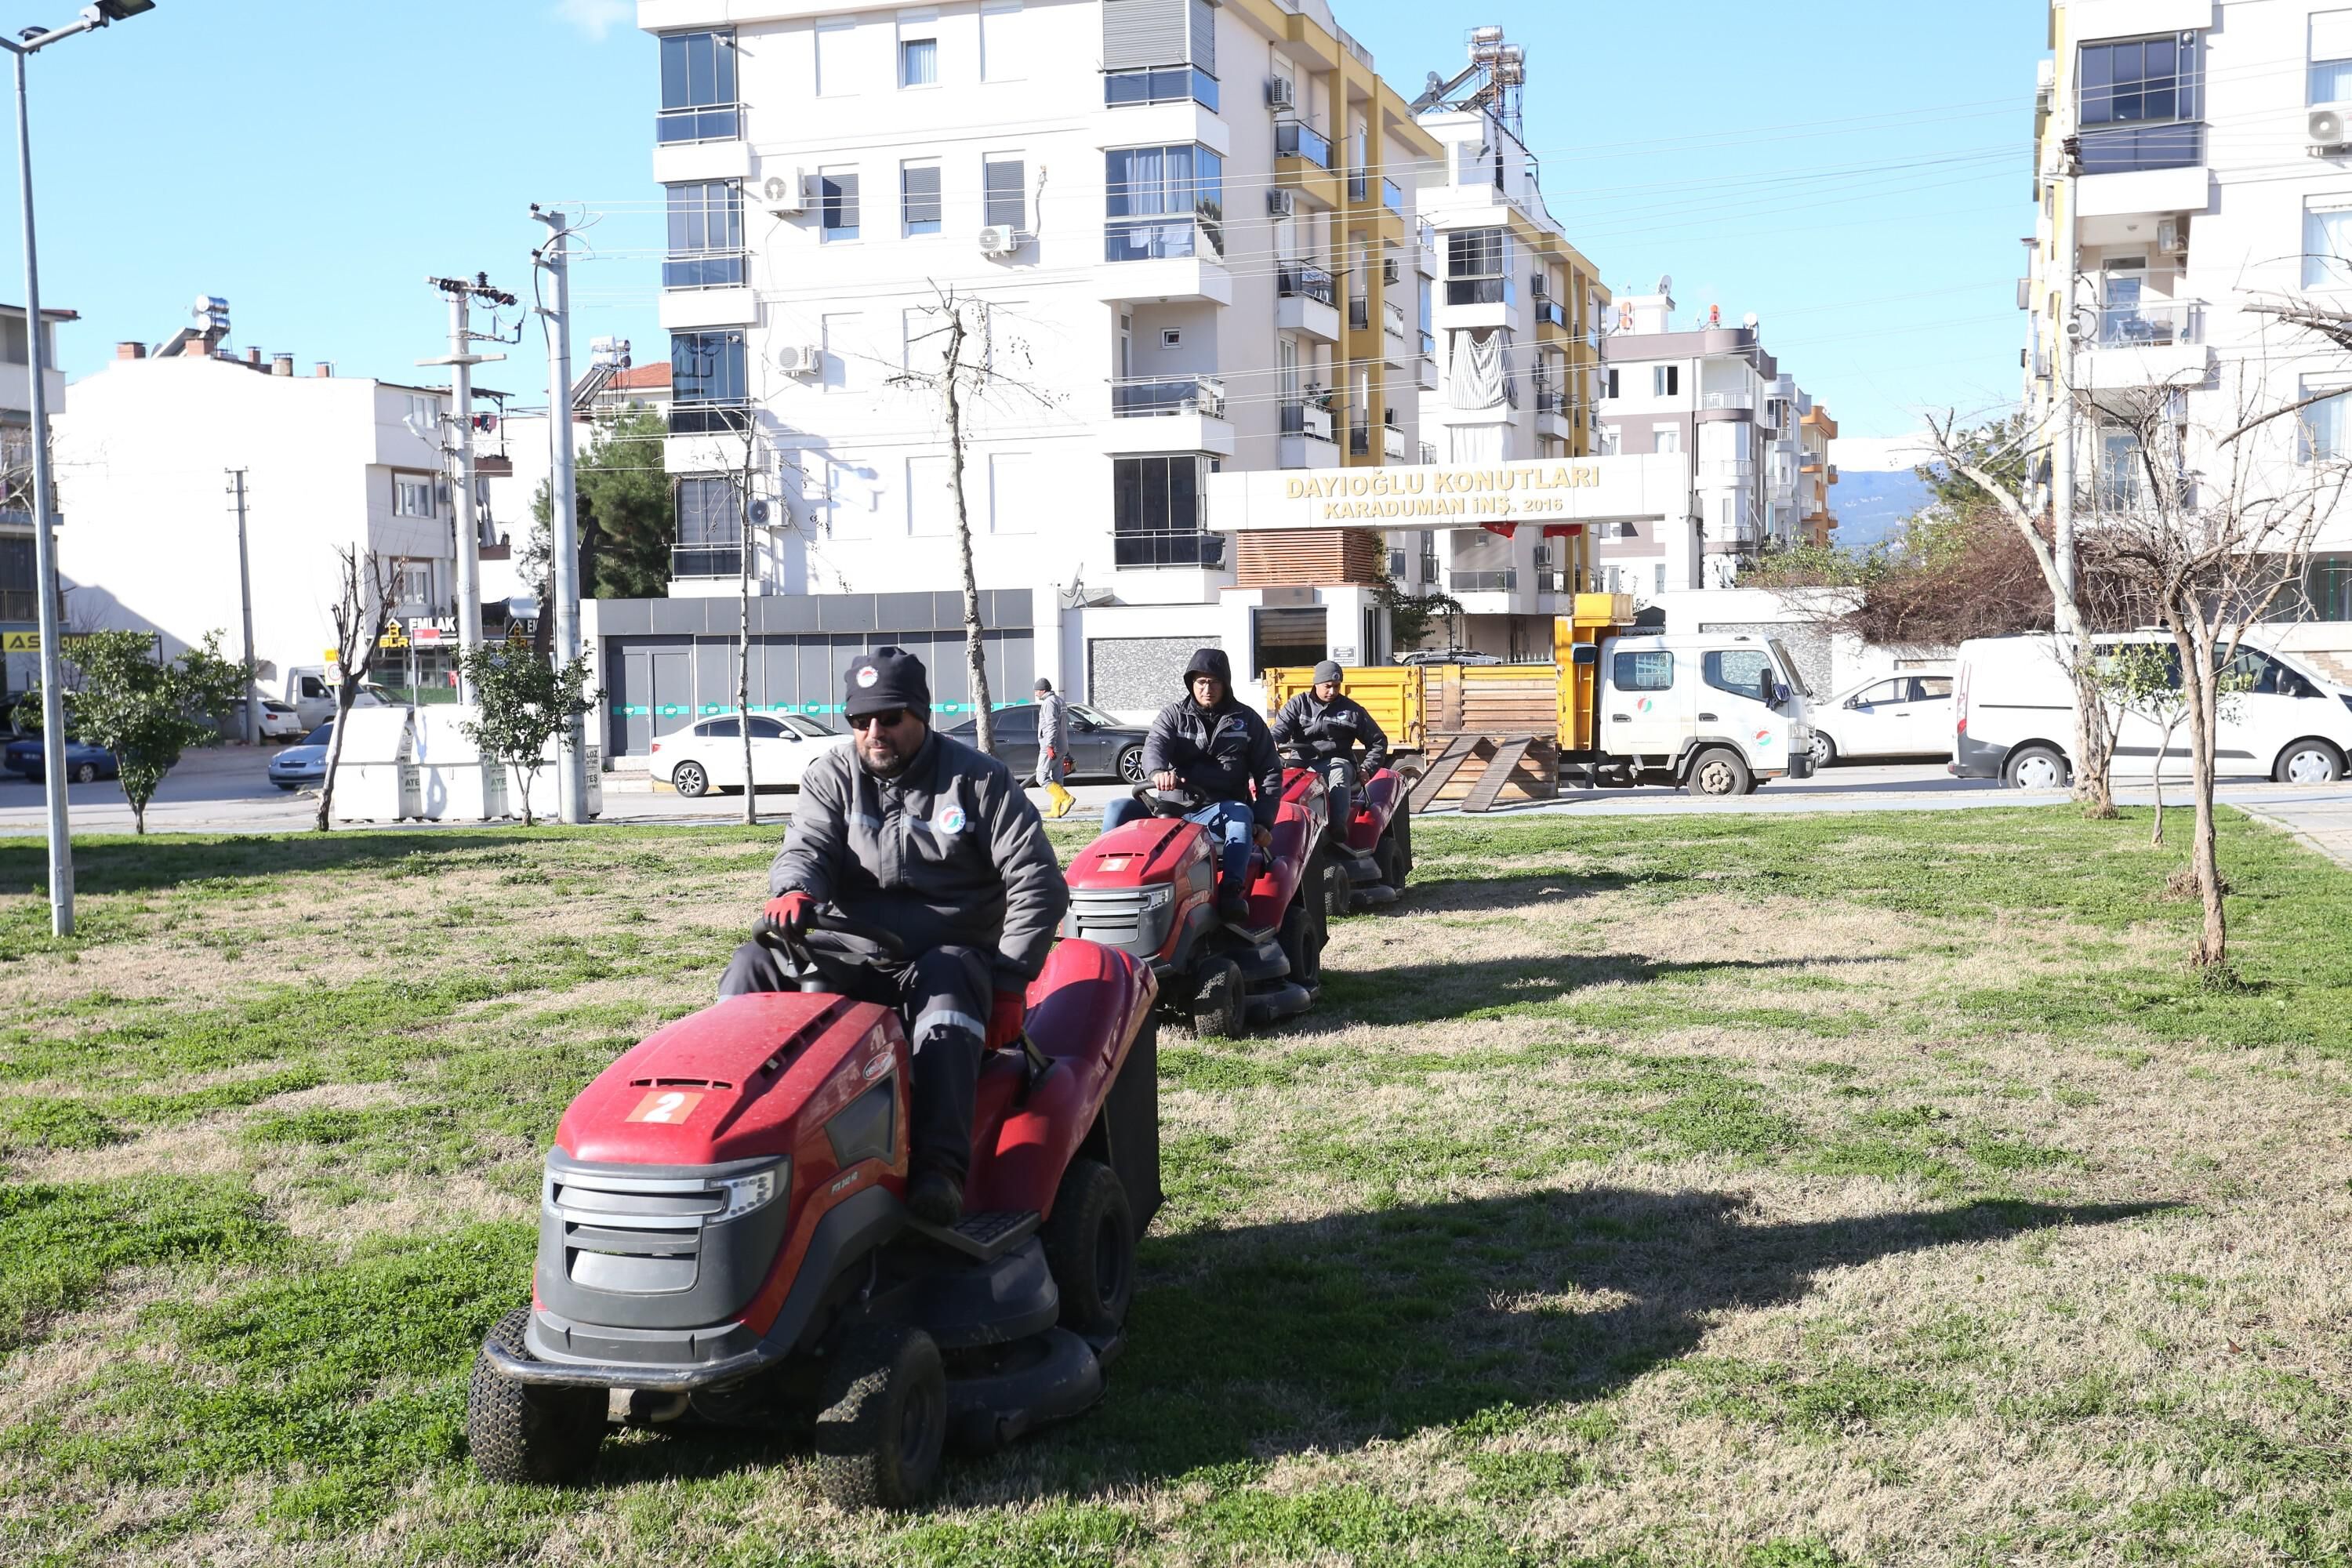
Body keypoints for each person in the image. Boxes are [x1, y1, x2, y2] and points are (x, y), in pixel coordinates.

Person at [718, 646, 1069, 1226]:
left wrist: (1009, 982)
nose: (873, 732)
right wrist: (794, 887)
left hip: (944, 954)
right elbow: (805, 846)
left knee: (948, 984)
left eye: (889, 718)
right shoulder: (832, 776)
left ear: (921, 714)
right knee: (752, 966)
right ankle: (738, 1137)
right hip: (849, 950)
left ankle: (940, 1171)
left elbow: (1037, 881)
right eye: (860, 721)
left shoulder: (980, 781)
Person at [1100, 646, 1281, 924]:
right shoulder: (1173, 715)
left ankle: (1231, 891)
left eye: (1214, 681)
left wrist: (1265, 821)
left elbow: (1269, 771)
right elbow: (1155, 746)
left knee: (1241, 814)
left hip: (1219, 809)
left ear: (1225, 683)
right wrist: (1158, 771)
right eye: (1201, 682)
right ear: (1191, 683)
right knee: (1116, 808)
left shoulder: (1247, 721)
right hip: (1172, 808)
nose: (1207, 688)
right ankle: (1107, 888)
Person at [1272, 659, 1389, 837]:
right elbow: (1277, 732)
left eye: (1337, 686)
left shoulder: (1352, 711)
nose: (1332, 691)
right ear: (1316, 683)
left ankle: (1337, 827)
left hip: (1338, 762)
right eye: (1328, 686)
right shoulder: (1298, 704)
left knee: (1338, 770)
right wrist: (1272, 743)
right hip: (1300, 764)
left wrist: (1368, 768)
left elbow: (1378, 741)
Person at [1033, 675, 1076, 819]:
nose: (1035, 693)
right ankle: (1055, 811)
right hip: (1062, 745)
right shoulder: (1060, 701)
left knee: (1041, 777)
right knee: (1057, 779)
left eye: (1036, 691)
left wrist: (1049, 745)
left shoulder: (1049, 703)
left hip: (1052, 747)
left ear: (1042, 690)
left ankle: (1066, 798)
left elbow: (1052, 725)